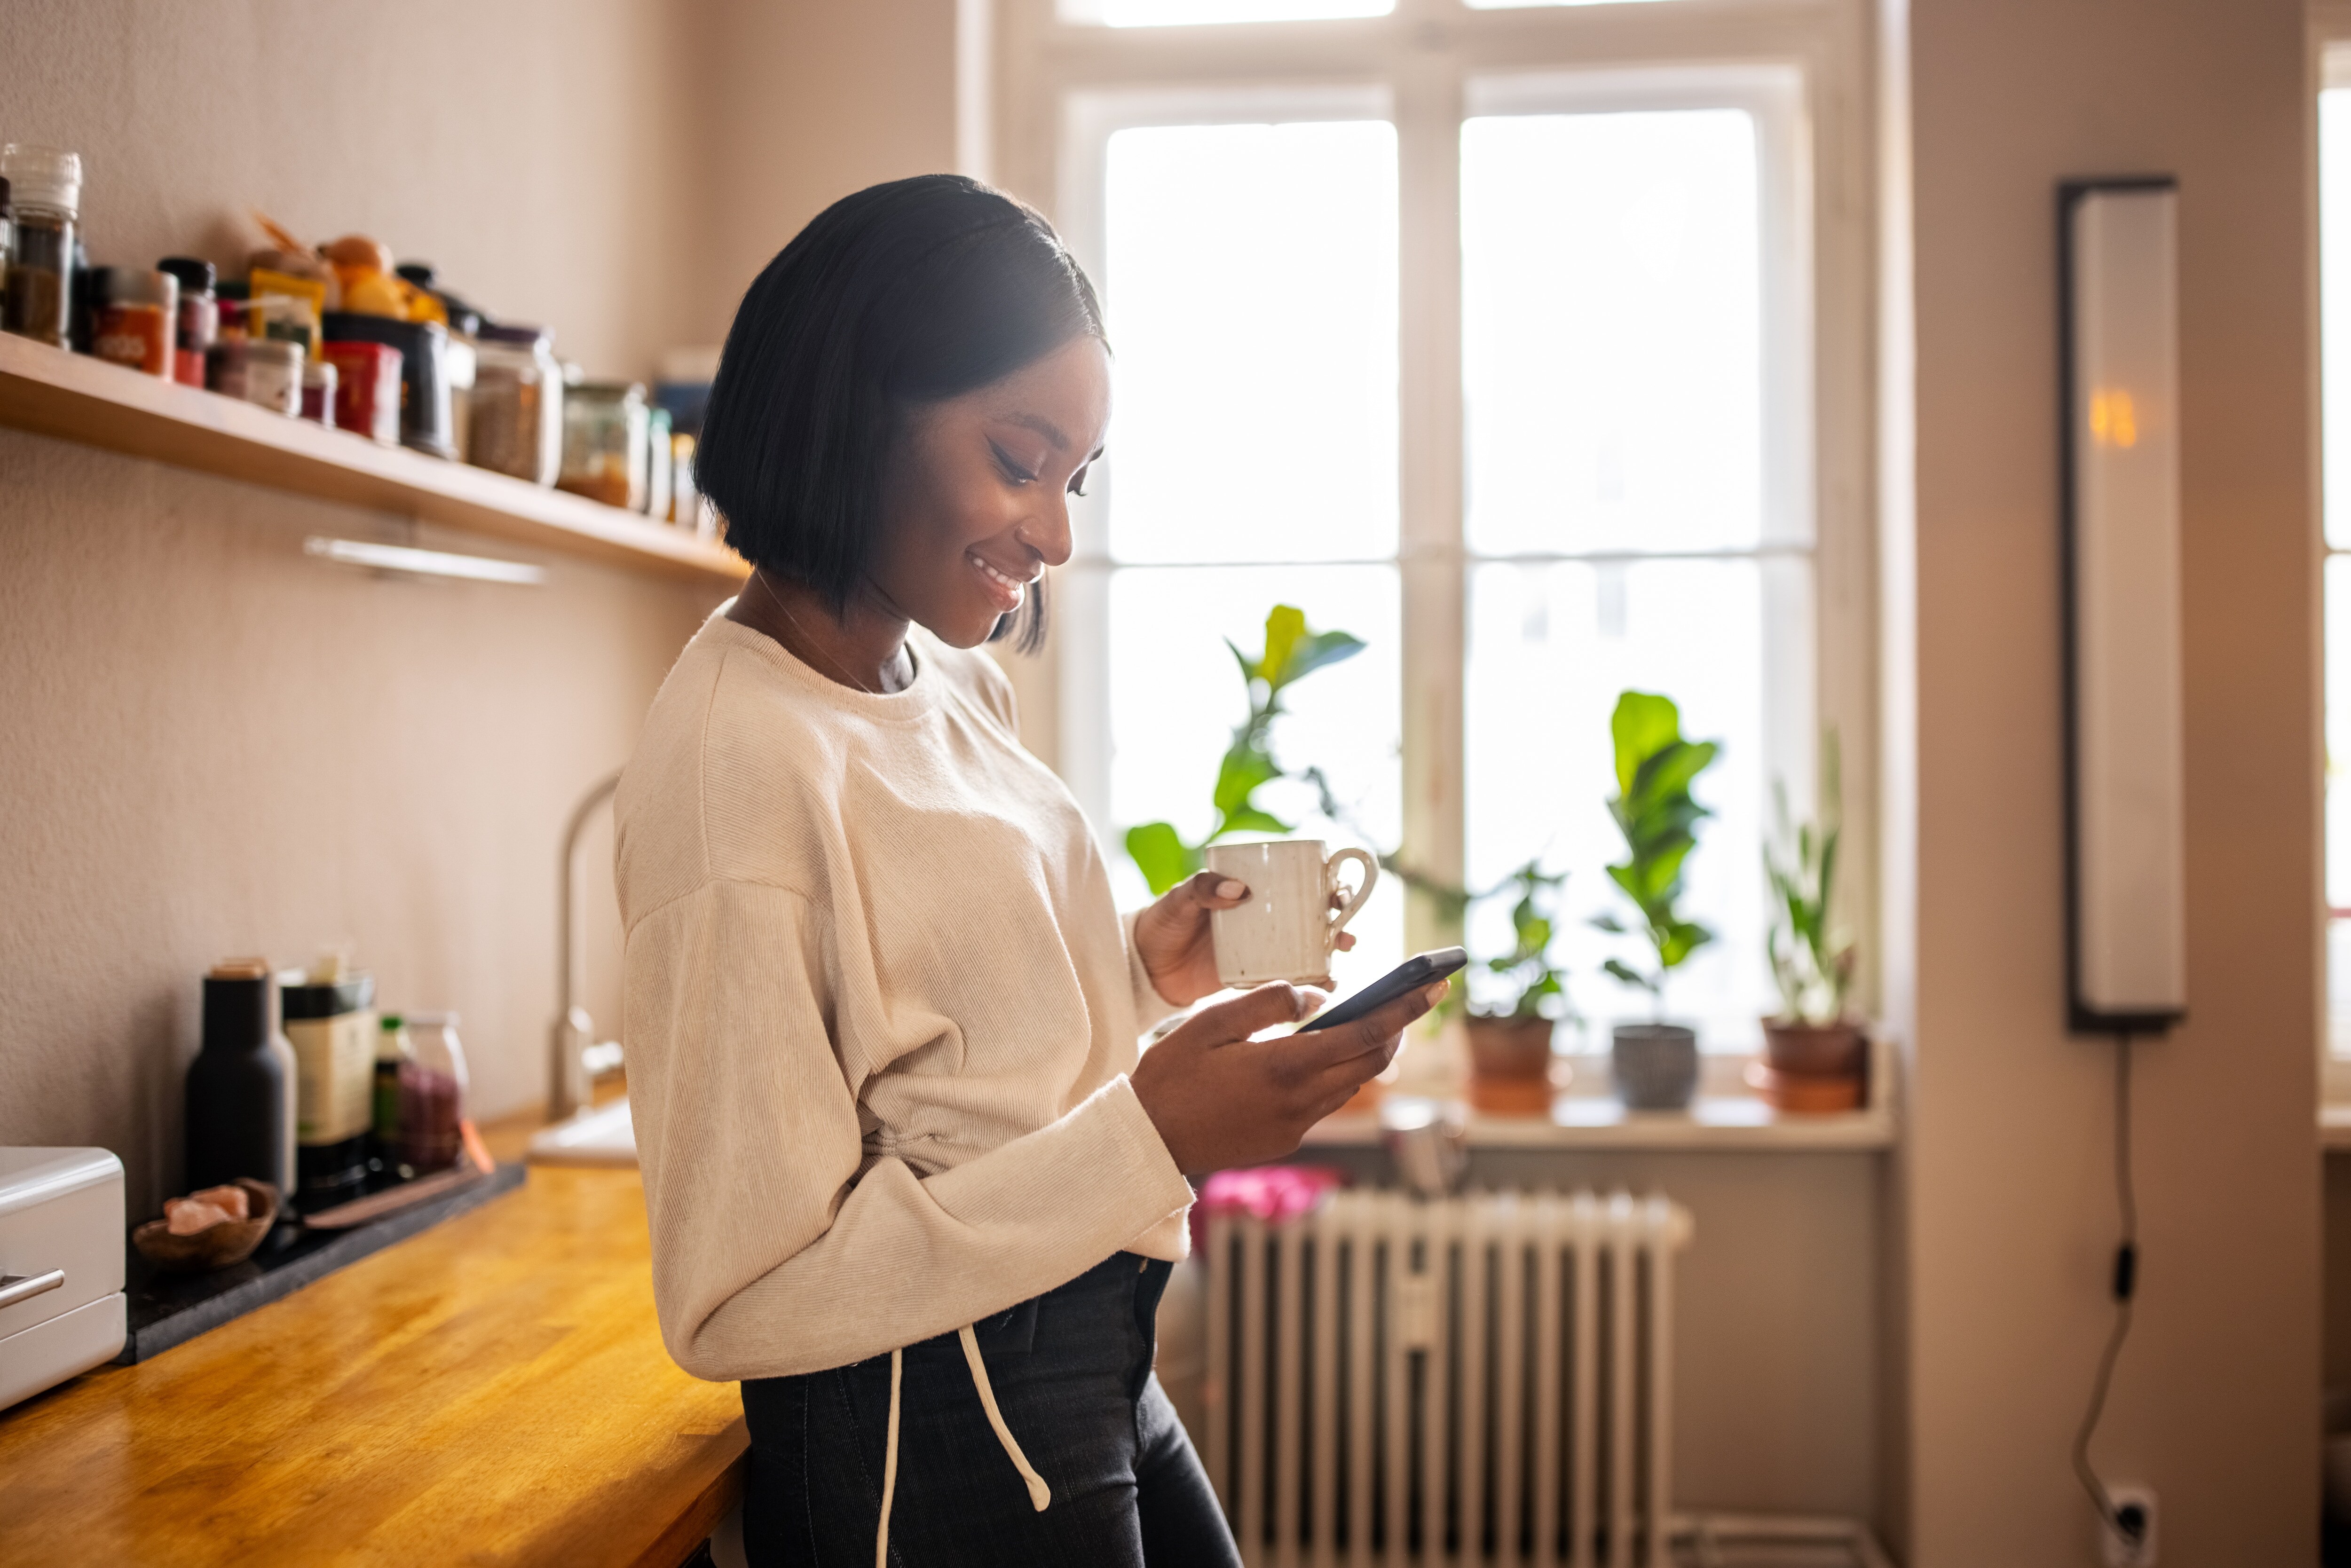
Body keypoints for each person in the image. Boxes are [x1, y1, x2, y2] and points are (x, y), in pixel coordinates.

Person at [615, 173, 1443, 1568]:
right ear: (853, 405)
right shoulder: (736, 766)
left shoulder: (942, 681)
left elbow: (946, 1055)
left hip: (1075, 1342)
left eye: (1075, 478)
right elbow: (742, 1295)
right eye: (1018, 457)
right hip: (919, 1421)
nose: (1055, 535)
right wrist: (1157, 1137)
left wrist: (1135, 966)